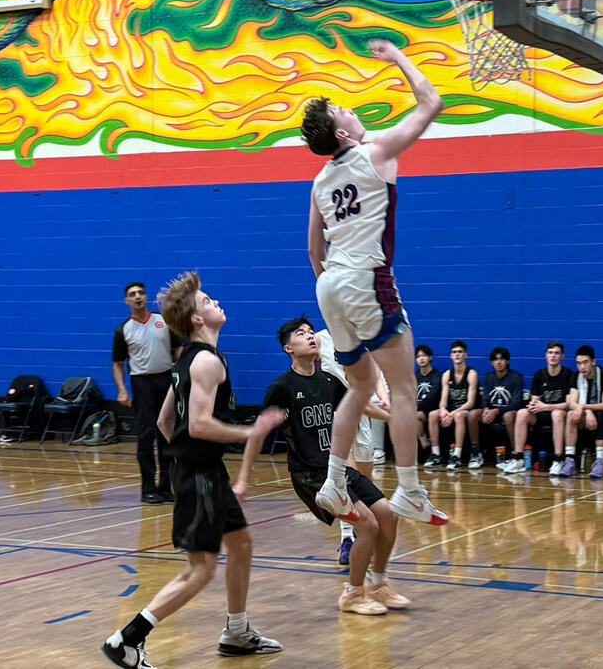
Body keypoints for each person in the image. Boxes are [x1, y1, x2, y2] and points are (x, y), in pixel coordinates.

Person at [101, 272, 283, 669]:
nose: (215, 302)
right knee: (200, 570)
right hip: (200, 478)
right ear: (198, 320)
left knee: (241, 544)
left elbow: (167, 423)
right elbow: (197, 425)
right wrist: (251, 430)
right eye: (207, 301)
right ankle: (125, 640)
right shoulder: (205, 362)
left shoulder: (188, 360)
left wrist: (189, 459)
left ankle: (236, 632)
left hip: (203, 473)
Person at [301, 37, 447, 527]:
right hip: (367, 278)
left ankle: (333, 483)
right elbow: (432, 102)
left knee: (358, 388)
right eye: (343, 110)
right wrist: (398, 57)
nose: (350, 109)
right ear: (341, 135)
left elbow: (312, 251)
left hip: (331, 287)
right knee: (403, 390)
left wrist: (337, 291)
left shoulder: (321, 181)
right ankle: (409, 490)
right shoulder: (375, 151)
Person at [236, 316, 409, 617]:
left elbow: (357, 406)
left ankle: (378, 583)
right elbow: (258, 435)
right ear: (289, 348)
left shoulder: (328, 381)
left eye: (311, 333)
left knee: (388, 516)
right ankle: (353, 593)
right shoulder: (281, 388)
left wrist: (392, 416)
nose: (310, 337)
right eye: (301, 335)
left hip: (338, 468)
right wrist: (242, 481)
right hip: (310, 476)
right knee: (367, 524)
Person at [315, 327, 391, 565]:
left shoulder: (364, 336)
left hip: (363, 411)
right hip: (336, 413)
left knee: (363, 479)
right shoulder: (319, 338)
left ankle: (360, 528)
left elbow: (376, 371)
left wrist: (384, 396)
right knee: (344, 480)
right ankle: (347, 537)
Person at [112, 281, 184, 504]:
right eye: (132, 294)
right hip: (141, 383)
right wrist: (122, 390)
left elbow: (179, 348)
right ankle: (148, 488)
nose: (138, 297)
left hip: (165, 379)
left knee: (167, 434)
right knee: (145, 436)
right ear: (127, 301)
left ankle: (165, 487)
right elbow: (117, 363)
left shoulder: (163, 321)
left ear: (146, 297)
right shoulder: (123, 329)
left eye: (141, 293)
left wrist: (182, 375)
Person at [511, 342, 574, 472]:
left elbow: (568, 404)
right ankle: (518, 458)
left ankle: (558, 459)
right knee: (522, 413)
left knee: (557, 413)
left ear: (562, 356)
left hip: (559, 415)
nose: (553, 356)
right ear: (546, 355)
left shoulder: (568, 374)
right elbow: (535, 400)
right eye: (550, 353)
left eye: (556, 353)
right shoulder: (539, 375)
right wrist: (532, 405)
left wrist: (546, 406)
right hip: (541, 414)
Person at [427, 340, 480, 469]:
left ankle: (457, 455)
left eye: (460, 352)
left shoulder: (472, 374)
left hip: (467, 410)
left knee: (459, 416)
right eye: (454, 352)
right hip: (451, 410)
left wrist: (451, 413)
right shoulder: (446, 375)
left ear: (465, 355)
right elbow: (443, 399)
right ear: (450, 356)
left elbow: (470, 402)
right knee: (433, 415)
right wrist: (443, 410)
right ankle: (436, 454)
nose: (457, 355)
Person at [562, 345, 603, 478]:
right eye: (578, 363)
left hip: (602, 413)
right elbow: (572, 403)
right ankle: (569, 459)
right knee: (570, 415)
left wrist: (585, 408)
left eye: (585, 363)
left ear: (593, 362)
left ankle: (600, 461)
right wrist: (586, 410)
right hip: (584, 415)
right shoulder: (575, 376)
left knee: (601, 415)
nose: (582, 367)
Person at [482, 347, 525, 471]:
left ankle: (515, 454)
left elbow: (516, 404)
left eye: (502, 359)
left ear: (507, 361)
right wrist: (485, 409)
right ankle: (476, 453)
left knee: (508, 416)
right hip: (491, 412)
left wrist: (496, 411)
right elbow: (485, 397)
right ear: (491, 363)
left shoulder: (516, 377)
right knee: (474, 415)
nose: (498, 362)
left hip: (509, 411)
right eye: (495, 360)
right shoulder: (488, 377)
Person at [414, 344, 440, 449]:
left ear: (430, 357)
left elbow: (431, 396)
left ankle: (425, 443)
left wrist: (416, 407)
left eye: (424, 355)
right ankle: (424, 444)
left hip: (431, 410)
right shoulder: (414, 375)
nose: (421, 358)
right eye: (418, 356)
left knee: (413, 415)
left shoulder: (437, 375)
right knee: (414, 418)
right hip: (417, 411)